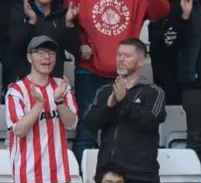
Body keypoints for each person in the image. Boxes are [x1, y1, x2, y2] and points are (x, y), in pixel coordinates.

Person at [84, 38, 166, 183]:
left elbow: (148, 121)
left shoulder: (153, 92)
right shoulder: (105, 92)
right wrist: (110, 105)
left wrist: (125, 101)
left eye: (127, 56)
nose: (121, 60)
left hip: (139, 176)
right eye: (119, 55)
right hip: (107, 175)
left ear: (141, 61)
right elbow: (89, 123)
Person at [71, 0, 169, 164]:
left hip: (128, 77)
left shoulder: (153, 92)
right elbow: (65, 22)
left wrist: (124, 100)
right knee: (86, 134)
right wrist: (76, 46)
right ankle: (85, 180)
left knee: (128, 131)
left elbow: (161, 11)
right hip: (90, 72)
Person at [5, 36, 77, 183]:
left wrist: (58, 101)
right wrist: (38, 105)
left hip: (58, 174)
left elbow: (71, 123)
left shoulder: (62, 87)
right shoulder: (17, 90)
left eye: (51, 53)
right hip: (28, 175)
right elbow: (19, 129)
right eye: (40, 52)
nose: (46, 57)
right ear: (29, 57)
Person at [164, 0, 201, 160]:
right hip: (195, 80)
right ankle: (194, 180)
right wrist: (185, 16)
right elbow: (170, 42)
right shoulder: (181, 4)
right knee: (195, 136)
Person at [9, 0, 80, 82]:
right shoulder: (21, 10)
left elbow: (74, 49)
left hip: (54, 81)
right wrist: (31, 21)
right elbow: (16, 46)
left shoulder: (62, 12)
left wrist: (69, 23)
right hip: (25, 80)